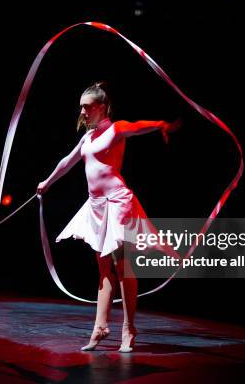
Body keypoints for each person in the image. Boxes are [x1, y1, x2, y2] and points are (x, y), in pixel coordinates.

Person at [36, 81, 182, 352]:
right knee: (103, 269)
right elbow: (67, 161)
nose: (82, 111)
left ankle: (128, 329)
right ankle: (100, 328)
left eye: (87, 106)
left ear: (101, 107)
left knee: (121, 265)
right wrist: (47, 181)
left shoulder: (115, 129)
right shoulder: (87, 138)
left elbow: (139, 126)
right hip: (96, 207)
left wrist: (161, 124)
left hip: (116, 203)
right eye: (81, 106)